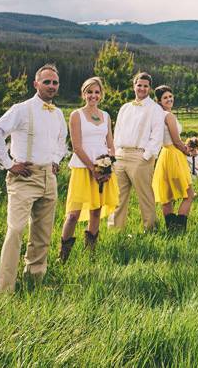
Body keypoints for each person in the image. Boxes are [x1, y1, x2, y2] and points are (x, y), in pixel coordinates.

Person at [0, 64, 67, 295]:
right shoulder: (21, 109)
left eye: (55, 82)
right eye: (47, 82)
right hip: (24, 177)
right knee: (16, 230)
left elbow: (62, 141)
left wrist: (56, 160)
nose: (51, 86)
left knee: (43, 233)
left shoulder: (59, 113)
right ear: (36, 84)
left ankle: (34, 282)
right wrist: (10, 164)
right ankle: (4, 291)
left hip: (48, 178)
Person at [59, 77, 120, 262]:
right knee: (73, 214)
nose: (93, 96)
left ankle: (90, 255)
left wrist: (107, 164)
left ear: (100, 94)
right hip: (83, 168)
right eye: (89, 92)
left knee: (96, 211)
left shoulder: (106, 116)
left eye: (96, 92)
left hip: (102, 169)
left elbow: (111, 144)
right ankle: (63, 257)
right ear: (83, 93)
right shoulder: (76, 115)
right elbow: (77, 146)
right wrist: (92, 168)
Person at [108, 72, 164, 231]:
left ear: (150, 88)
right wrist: (115, 153)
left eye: (146, 86)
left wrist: (146, 156)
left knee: (145, 197)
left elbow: (157, 135)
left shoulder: (155, 109)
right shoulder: (125, 107)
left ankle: (150, 229)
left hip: (141, 156)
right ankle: (115, 230)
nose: (142, 88)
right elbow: (117, 131)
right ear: (134, 86)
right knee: (117, 197)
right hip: (121, 155)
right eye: (139, 85)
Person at [151, 85, 194, 232]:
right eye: (165, 98)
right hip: (174, 154)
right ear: (159, 101)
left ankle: (171, 228)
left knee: (167, 195)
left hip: (164, 154)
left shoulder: (158, 116)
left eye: (170, 96)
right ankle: (179, 227)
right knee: (189, 194)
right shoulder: (168, 116)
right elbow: (176, 140)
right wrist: (187, 151)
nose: (169, 99)